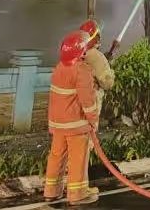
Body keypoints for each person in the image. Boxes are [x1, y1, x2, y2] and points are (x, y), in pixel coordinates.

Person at [44, 30, 100, 205]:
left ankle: (51, 191)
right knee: (78, 158)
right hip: (76, 124)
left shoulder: (59, 67)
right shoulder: (81, 70)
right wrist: (93, 120)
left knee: (56, 156)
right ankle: (77, 194)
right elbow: (88, 100)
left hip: (58, 123)